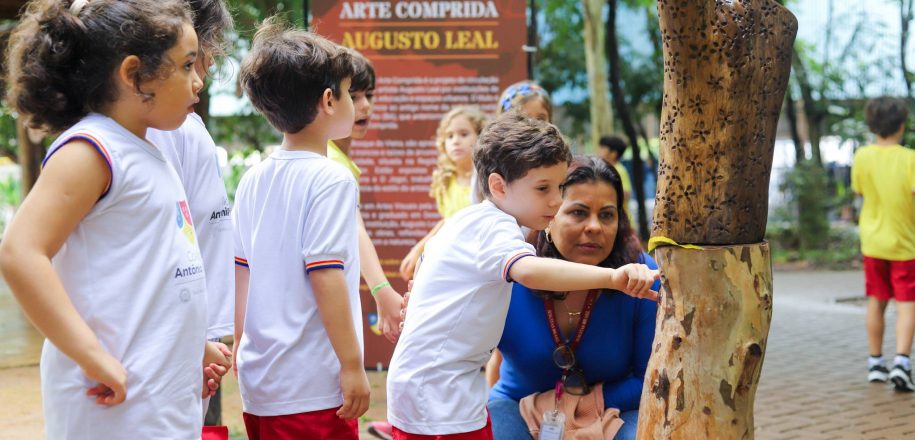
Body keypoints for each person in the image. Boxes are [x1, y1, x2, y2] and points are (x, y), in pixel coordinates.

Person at [0, 0, 227, 437]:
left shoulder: (148, 150)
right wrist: (91, 356)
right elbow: (21, 252)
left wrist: (190, 347)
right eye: (186, 66)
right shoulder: (91, 150)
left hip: (157, 402)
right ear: (133, 75)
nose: (199, 81)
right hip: (112, 407)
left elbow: (148, 278)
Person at [386, 113, 659, 439]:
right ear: (499, 186)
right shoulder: (497, 231)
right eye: (544, 189)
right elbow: (529, 272)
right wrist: (612, 278)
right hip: (440, 397)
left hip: (438, 392)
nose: (555, 201)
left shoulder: (471, 223)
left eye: (559, 188)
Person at [233, 19, 370, 439]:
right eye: (350, 92)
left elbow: (241, 271)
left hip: (262, 382)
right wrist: (351, 365)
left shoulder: (253, 178)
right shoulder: (332, 178)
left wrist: (240, 348)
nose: (355, 102)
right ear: (329, 100)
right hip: (312, 388)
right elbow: (325, 273)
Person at [487, 156, 659, 440]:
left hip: (616, 408)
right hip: (518, 407)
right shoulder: (510, 270)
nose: (594, 227)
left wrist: (576, 407)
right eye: (578, 212)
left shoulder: (643, 277)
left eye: (606, 215)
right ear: (548, 217)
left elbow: (649, 378)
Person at [146, 0, 235, 421]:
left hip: (201, 331)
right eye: (191, 62)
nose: (204, 74)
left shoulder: (185, 125)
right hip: (179, 339)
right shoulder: (159, 130)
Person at [328, 50, 404, 344]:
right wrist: (382, 289)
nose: (365, 106)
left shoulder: (338, 159)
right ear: (328, 100)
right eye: (354, 96)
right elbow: (354, 228)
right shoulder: (331, 162)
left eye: (368, 95)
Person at [853, 96, 915, 392]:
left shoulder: (862, 157)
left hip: (873, 242)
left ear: (872, 124)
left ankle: (875, 363)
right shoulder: (910, 159)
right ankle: (902, 362)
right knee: (907, 305)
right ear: (902, 124)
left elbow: (860, 191)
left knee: (877, 300)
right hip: (904, 243)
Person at [398, 106, 488, 281]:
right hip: (455, 258)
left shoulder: (485, 179)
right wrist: (418, 249)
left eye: (463, 134)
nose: (455, 141)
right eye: (450, 136)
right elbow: (448, 221)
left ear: (480, 137)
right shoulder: (445, 181)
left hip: (480, 258)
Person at [597, 135, 632, 219]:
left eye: (602, 148)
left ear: (613, 154)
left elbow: (626, 193)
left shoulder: (619, 170)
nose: (599, 151)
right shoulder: (605, 168)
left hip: (621, 220)